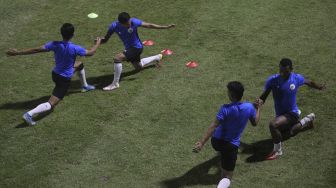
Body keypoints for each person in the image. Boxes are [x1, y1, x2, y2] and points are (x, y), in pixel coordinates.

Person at [6, 23, 101, 126]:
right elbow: (91, 52)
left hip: (55, 74)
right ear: (72, 35)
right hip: (63, 80)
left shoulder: (54, 44)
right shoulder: (75, 48)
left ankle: (85, 86)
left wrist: (17, 52)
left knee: (79, 64)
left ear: (61, 33)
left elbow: (36, 50)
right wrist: (98, 43)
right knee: (52, 104)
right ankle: (29, 114)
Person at [193, 81, 261, 188]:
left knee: (224, 157)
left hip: (216, 142)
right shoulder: (249, 107)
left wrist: (201, 143)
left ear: (231, 94)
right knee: (227, 176)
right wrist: (258, 108)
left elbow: (213, 126)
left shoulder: (225, 108)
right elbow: (255, 122)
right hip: (231, 145)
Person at [255, 58, 325, 160]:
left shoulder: (296, 78)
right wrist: (260, 101)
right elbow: (264, 95)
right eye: (281, 70)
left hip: (292, 113)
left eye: (286, 71)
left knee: (273, 125)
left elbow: (308, 81)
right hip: (281, 115)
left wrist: (319, 87)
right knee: (286, 134)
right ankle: (308, 119)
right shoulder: (273, 80)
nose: (283, 73)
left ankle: (278, 151)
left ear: (291, 69)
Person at [99, 12, 175, 91]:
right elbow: (105, 39)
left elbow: (149, 25)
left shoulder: (134, 21)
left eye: (129, 21)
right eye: (126, 24)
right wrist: (99, 41)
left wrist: (165, 27)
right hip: (130, 49)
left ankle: (115, 84)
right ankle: (157, 57)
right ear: (121, 23)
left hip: (137, 48)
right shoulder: (114, 26)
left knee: (118, 58)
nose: (129, 24)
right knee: (139, 67)